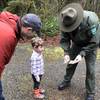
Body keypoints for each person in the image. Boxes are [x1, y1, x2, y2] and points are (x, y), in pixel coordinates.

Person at [58, 3, 100, 100]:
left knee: (91, 69)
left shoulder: (92, 20)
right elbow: (64, 39)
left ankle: (90, 92)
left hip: (91, 45)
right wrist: (66, 53)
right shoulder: (65, 20)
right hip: (77, 44)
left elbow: (95, 41)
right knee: (70, 63)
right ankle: (66, 81)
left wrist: (82, 54)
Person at [0, 11, 42, 100]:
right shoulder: (7, 36)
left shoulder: (13, 24)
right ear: (29, 29)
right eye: (33, 34)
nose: (33, 37)